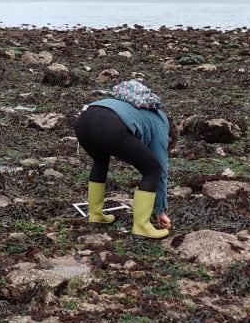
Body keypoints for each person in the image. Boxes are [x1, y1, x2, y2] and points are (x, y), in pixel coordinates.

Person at [73, 96, 177, 239]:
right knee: (152, 169)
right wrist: (161, 211)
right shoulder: (161, 125)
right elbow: (161, 169)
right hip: (110, 124)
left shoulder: (143, 112)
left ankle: (96, 214)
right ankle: (141, 225)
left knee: (100, 161)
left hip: (84, 119)